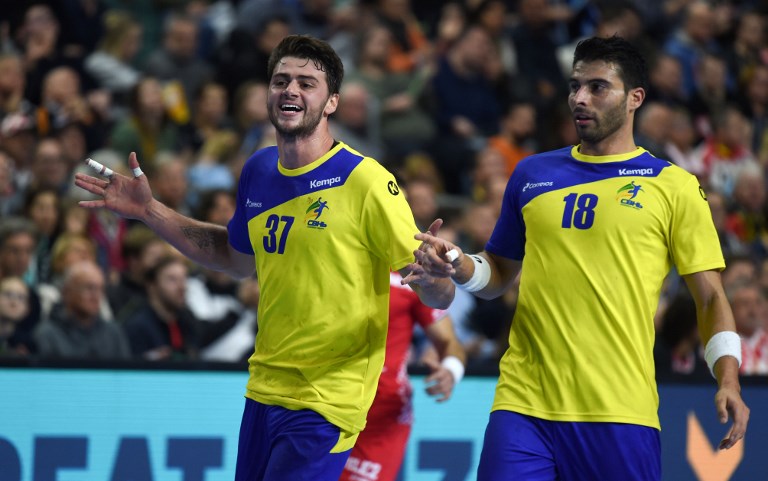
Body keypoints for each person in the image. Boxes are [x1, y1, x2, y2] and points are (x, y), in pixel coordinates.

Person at [74, 34, 452, 480]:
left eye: (306, 83)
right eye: (280, 80)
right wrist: (148, 211)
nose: (290, 90)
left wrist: (436, 277)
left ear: (331, 102)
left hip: (328, 398)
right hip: (264, 389)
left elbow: (440, 293)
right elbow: (234, 258)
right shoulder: (258, 169)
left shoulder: (365, 181)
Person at [405, 36, 749, 480]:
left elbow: (709, 298)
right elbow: (499, 273)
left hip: (620, 409)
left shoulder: (675, 186)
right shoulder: (532, 173)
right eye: (575, 86)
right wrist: (457, 263)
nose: (580, 99)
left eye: (597, 87)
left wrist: (729, 379)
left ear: (635, 99)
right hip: (523, 402)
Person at [339, 270, 466, 481]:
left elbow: (449, 342)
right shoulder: (331, 260)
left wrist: (451, 370)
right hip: (320, 403)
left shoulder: (410, 276)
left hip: (382, 417)